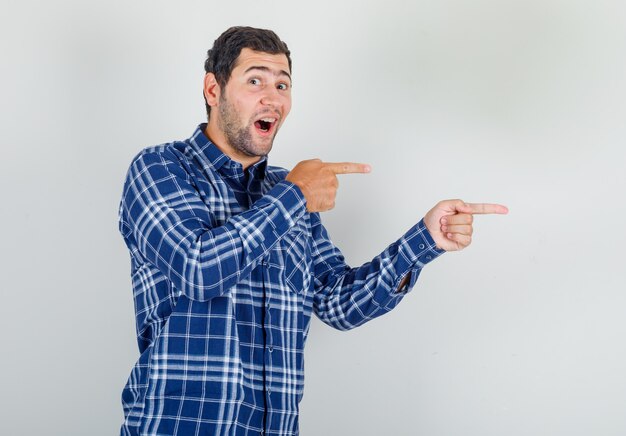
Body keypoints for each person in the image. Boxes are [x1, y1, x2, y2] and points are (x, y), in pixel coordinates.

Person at [118, 26, 508, 436]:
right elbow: (198, 269)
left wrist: (425, 240)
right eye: (255, 80)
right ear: (213, 90)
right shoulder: (160, 168)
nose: (273, 97)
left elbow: (339, 304)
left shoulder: (287, 193)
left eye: (282, 84)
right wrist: (296, 194)